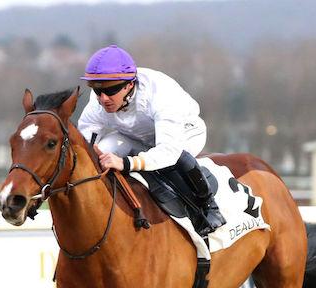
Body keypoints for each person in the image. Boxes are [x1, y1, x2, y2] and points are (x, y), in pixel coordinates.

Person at [78, 44, 225, 236]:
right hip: (136, 137)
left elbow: (168, 151)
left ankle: (209, 207)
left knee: (171, 162)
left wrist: (125, 163)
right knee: (101, 153)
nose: (104, 98)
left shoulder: (160, 93)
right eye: (98, 91)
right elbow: (86, 136)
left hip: (184, 133)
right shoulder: (99, 99)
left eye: (111, 90)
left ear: (130, 84)